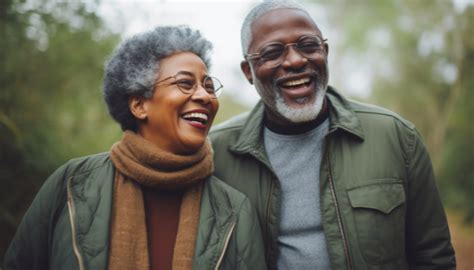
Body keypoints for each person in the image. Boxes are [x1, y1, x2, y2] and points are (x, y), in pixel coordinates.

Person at [210, 1, 456, 269]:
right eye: (272, 52)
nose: (295, 60)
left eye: (308, 45)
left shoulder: (396, 137)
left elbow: (434, 255)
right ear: (248, 71)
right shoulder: (217, 153)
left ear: (324, 52)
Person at [3, 25, 266, 270]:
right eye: (185, 83)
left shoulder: (234, 209)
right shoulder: (71, 184)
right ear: (139, 105)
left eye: (209, 86)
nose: (204, 96)